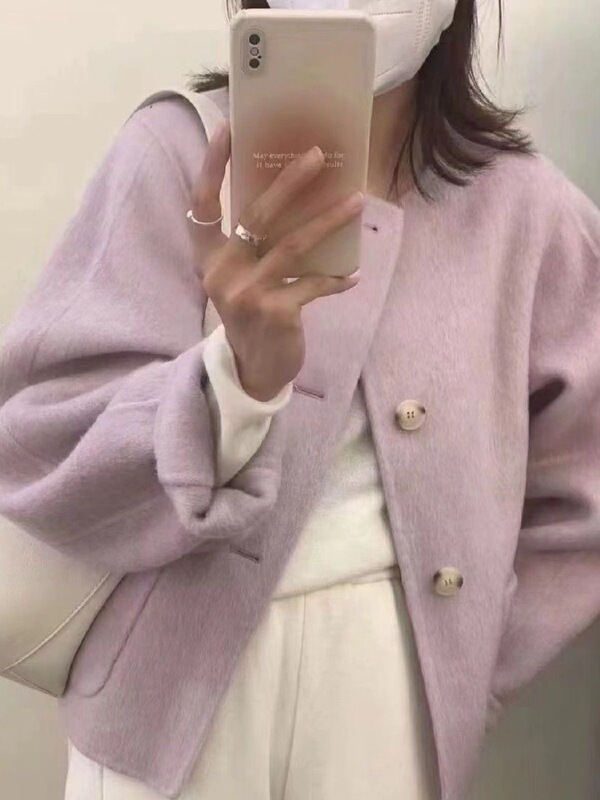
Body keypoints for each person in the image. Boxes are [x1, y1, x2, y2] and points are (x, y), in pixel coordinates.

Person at [1, 0, 599, 799]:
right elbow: (41, 439)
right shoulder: (178, 151)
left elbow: (587, 480)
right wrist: (231, 383)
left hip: (388, 691)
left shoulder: (527, 211)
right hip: (163, 692)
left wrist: (471, 656)